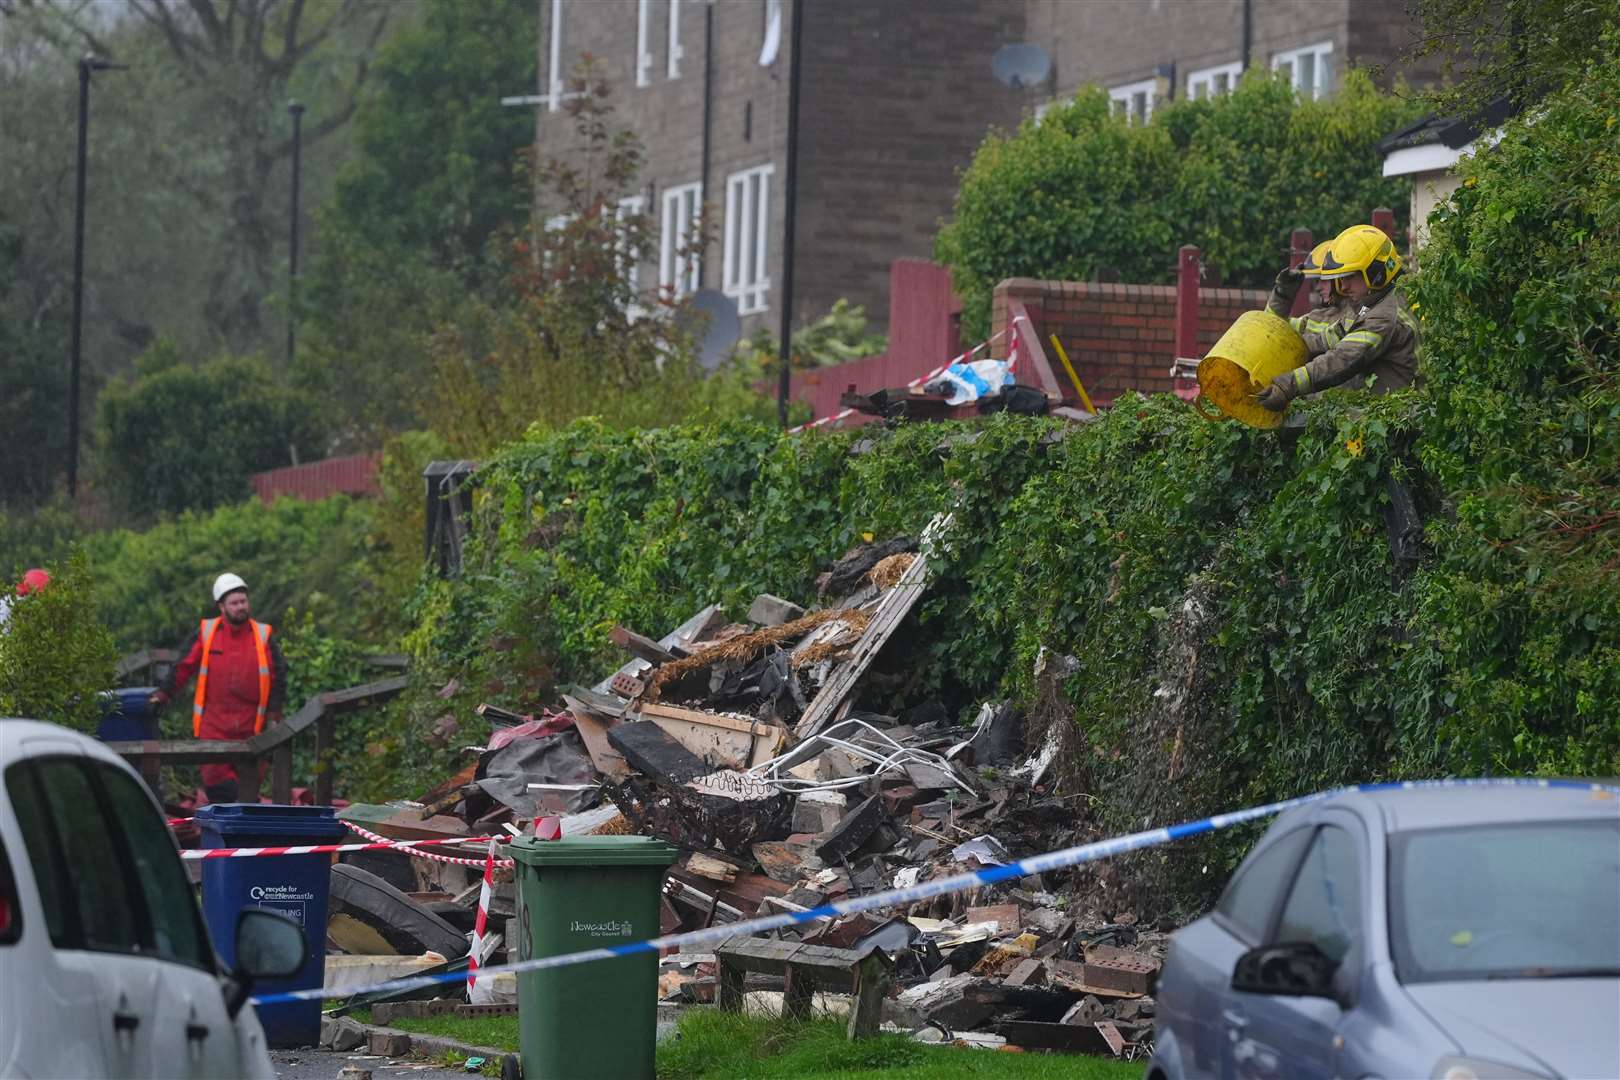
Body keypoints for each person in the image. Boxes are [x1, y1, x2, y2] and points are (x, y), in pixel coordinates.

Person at [150, 573, 287, 804]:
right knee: (221, 790)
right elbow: (184, 666)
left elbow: (278, 676)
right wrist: (162, 695)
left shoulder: (263, 636)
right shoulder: (207, 632)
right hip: (214, 728)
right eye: (234, 603)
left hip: (253, 729)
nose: (241, 607)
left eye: (243, 601)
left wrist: (274, 716)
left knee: (248, 793)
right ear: (221, 606)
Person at [1258, 224, 1420, 411]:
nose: (1343, 286)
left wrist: (1287, 385)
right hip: (1393, 412)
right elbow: (1328, 338)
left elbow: (1343, 359)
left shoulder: (1384, 315)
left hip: (1404, 420)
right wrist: (1285, 345)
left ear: (1376, 273)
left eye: (1349, 277)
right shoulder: (1370, 304)